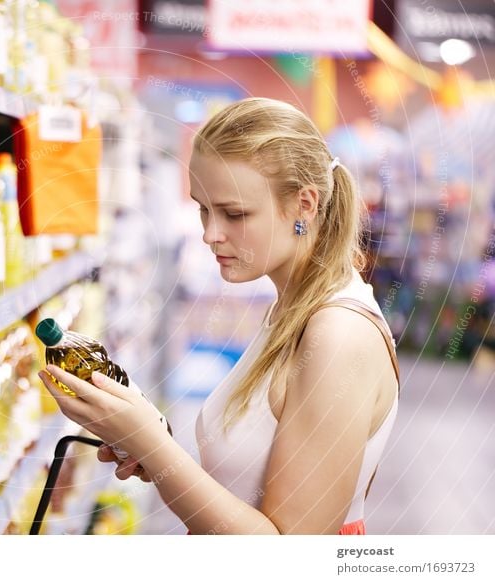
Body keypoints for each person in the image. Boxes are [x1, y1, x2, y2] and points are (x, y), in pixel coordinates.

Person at [38, 97, 400, 535]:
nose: (211, 234)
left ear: (305, 204)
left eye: (234, 214)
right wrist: (145, 439)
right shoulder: (292, 308)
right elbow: (250, 489)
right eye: (203, 209)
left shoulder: (339, 334)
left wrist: (153, 446)